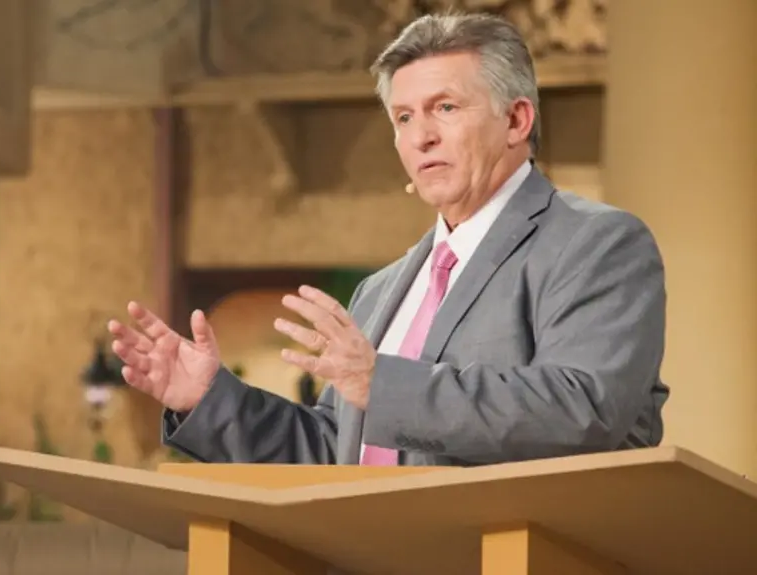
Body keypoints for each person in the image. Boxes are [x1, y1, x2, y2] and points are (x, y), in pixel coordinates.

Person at [107, 12, 669, 467]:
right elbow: (335, 456)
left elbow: (583, 409)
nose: (421, 137)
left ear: (517, 120)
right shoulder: (381, 290)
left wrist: (384, 386)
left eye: (445, 108)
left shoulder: (595, 244)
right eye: (403, 117)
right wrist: (209, 400)